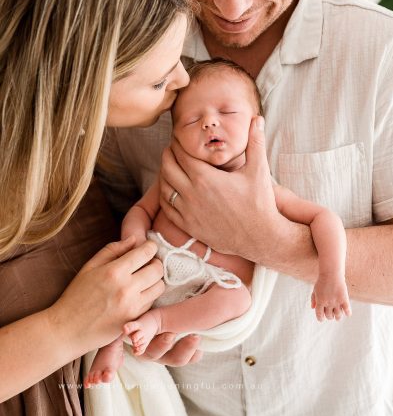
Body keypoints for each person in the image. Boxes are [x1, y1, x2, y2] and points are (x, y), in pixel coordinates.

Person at [97, 0, 393, 416]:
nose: (233, 4)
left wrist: (269, 240)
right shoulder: (131, 63)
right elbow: (104, 220)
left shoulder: (384, 54)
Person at [0, 0, 194, 416]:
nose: (183, 82)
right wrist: (64, 329)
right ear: (82, 86)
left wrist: (130, 342)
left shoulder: (83, 157)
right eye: (158, 79)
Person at [87, 58, 350, 386]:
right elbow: (140, 211)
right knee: (118, 282)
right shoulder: (174, 178)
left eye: (227, 113)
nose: (209, 123)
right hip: (155, 263)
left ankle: (160, 320)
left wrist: (330, 275)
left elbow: (323, 218)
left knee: (238, 298)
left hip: (210, 285)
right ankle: (111, 346)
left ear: (256, 124)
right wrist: (135, 243)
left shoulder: (264, 188)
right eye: (192, 120)